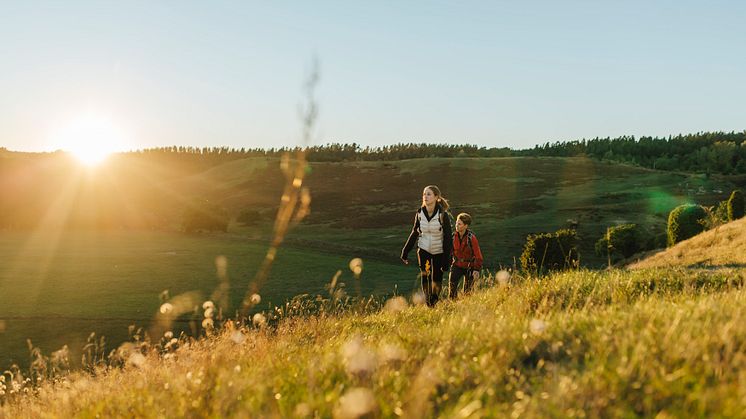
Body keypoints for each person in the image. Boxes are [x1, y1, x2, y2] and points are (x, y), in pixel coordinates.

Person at [401, 185, 453, 307]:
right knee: (426, 275)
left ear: (436, 197)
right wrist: (405, 251)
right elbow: (414, 232)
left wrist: (446, 259)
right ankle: (429, 303)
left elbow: (448, 238)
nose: (425, 196)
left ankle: (434, 299)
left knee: (437, 278)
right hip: (423, 250)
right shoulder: (419, 213)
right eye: (424, 194)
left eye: (429, 194)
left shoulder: (442, 215)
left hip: (439, 251)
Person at [449, 212, 483, 298]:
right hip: (456, 265)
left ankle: (466, 308)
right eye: (456, 223)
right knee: (452, 290)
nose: (456, 225)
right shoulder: (453, 237)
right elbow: (449, 252)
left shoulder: (472, 238)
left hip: (469, 267)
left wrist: (476, 269)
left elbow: (478, 255)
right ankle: (452, 307)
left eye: (459, 224)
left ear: (466, 226)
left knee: (468, 292)